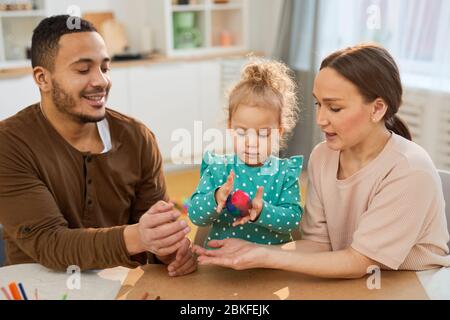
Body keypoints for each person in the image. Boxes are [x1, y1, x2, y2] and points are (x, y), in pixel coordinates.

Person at [193, 44, 450, 278]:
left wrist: (265, 255)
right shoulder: (322, 156)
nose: (320, 120)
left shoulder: (409, 170)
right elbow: (319, 244)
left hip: (416, 284)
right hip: (357, 280)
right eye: (318, 104)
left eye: (334, 108)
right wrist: (252, 250)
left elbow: (361, 262)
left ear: (377, 108)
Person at [0, 15, 196, 277]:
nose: (101, 81)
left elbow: (153, 237)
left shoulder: (136, 139)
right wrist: (138, 237)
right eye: (83, 70)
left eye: (105, 68)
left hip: (120, 288)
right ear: (42, 79)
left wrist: (169, 250)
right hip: (38, 288)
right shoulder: (10, 143)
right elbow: (49, 243)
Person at [188, 59, 303, 247]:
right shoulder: (218, 168)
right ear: (230, 127)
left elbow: (293, 220)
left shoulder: (284, 173)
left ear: (279, 132)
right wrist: (216, 197)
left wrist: (262, 211)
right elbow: (195, 215)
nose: (251, 143)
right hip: (222, 265)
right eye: (241, 132)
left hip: (270, 265)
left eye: (263, 134)